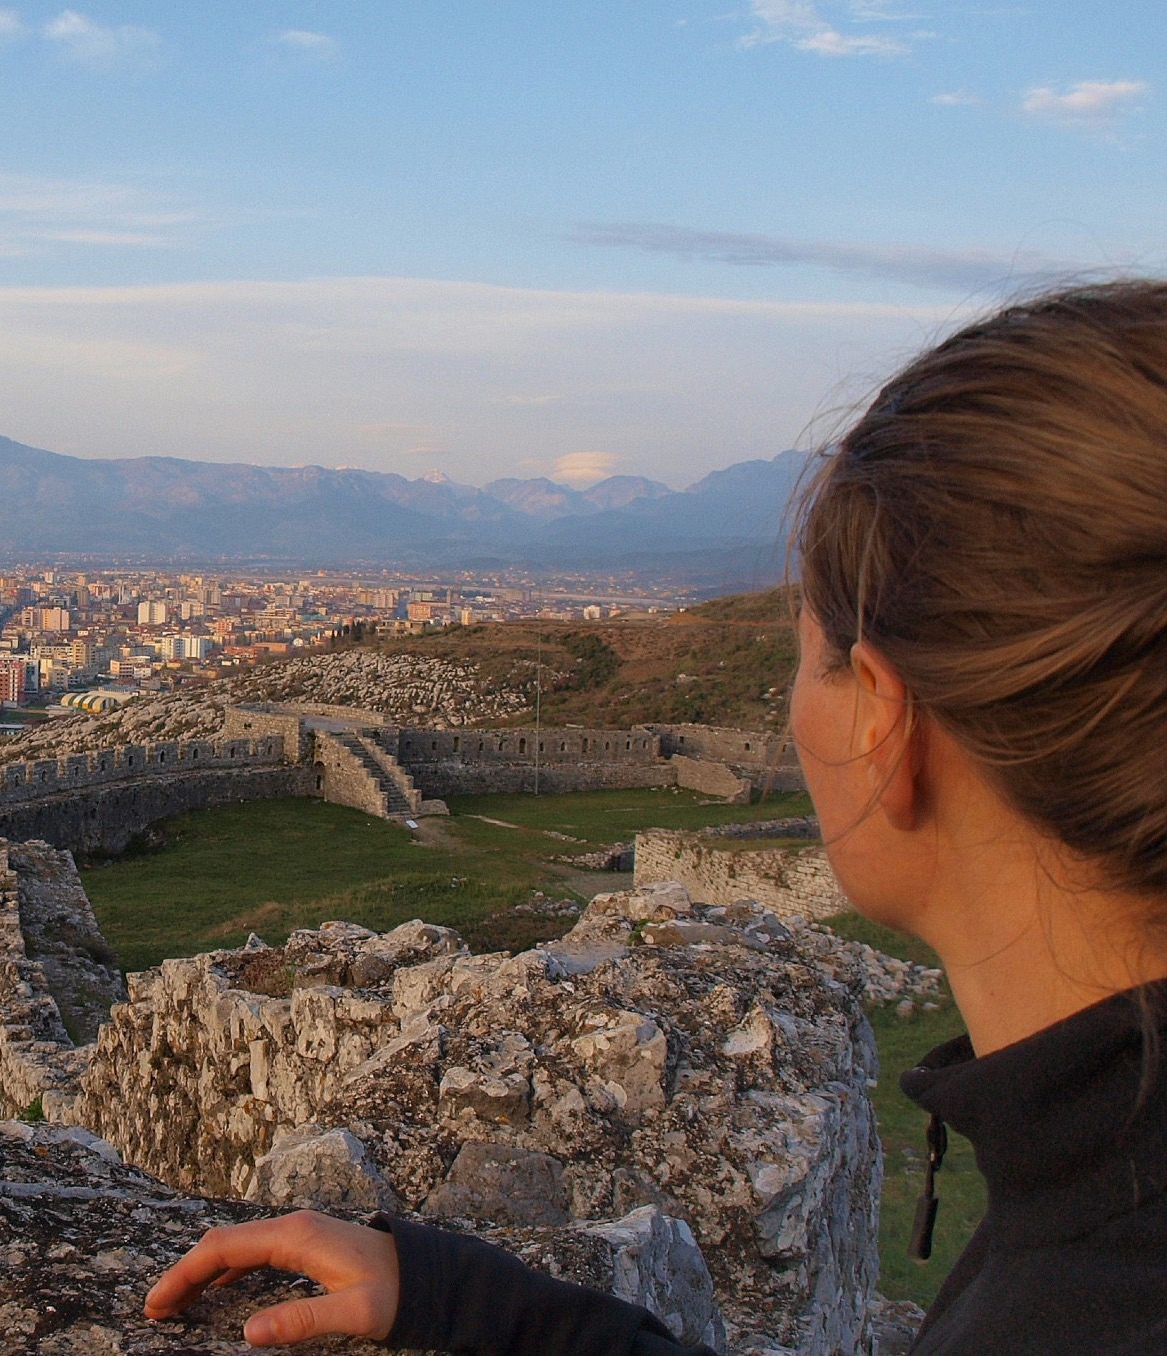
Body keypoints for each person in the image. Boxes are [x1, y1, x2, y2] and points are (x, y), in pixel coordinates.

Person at [143, 280, 1167, 1354]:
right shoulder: (1109, 1198)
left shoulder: (1088, 1281)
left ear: (885, 728)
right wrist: (470, 1303)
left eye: (804, 657)